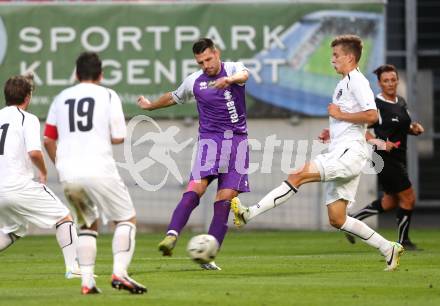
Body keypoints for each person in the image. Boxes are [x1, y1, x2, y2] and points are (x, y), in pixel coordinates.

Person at [231, 35, 405, 271]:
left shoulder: (357, 81)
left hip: (349, 154)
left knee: (297, 174)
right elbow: (355, 121)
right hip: (344, 150)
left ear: (350, 58)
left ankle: (248, 214)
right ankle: (388, 248)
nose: (332, 60)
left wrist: (340, 116)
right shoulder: (343, 82)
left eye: (336, 55)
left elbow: (372, 116)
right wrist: (333, 130)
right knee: (337, 219)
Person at [137, 38, 250, 270]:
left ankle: (208, 256)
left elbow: (244, 76)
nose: (206, 65)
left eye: (208, 59)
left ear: (216, 54)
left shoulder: (233, 68)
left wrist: (229, 80)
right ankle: (171, 235)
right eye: (200, 62)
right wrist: (150, 106)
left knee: (224, 201)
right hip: (210, 143)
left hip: (237, 144)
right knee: (194, 190)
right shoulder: (195, 81)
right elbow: (173, 96)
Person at [44, 52, 146, 294]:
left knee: (88, 225)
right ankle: (120, 273)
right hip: (99, 169)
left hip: (69, 173)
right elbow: (119, 136)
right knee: (125, 219)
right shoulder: (108, 95)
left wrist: (60, 164)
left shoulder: (60, 97)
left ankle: (87, 282)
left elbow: (48, 138)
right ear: (101, 75)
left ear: (77, 74)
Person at [0, 74, 80, 279]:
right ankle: (73, 269)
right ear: (27, 98)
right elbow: (34, 152)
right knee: (64, 218)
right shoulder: (28, 119)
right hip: (18, 186)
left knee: (13, 230)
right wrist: (43, 171)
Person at [345, 64, 424, 250]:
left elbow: (405, 127)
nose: (390, 83)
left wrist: (414, 129)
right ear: (379, 84)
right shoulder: (375, 106)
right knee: (409, 198)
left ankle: (353, 221)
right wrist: (380, 143)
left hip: (399, 157)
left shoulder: (401, 102)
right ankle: (403, 241)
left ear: (397, 80)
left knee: (390, 202)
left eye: (393, 79)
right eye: (385, 80)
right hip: (384, 159)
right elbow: (361, 131)